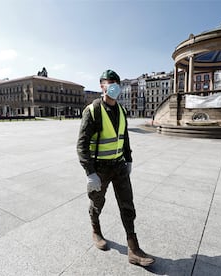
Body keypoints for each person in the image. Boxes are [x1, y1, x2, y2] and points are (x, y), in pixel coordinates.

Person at [77, 69, 155, 267]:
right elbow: (82, 144)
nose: (112, 86)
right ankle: (96, 230)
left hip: (119, 166)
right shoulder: (93, 110)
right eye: (107, 82)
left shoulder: (121, 110)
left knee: (127, 205)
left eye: (115, 83)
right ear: (101, 86)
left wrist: (128, 160)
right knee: (97, 202)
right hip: (100, 169)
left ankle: (134, 249)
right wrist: (90, 173)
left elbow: (125, 138)